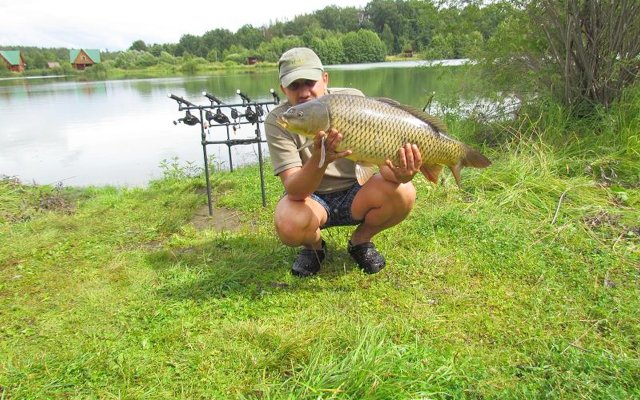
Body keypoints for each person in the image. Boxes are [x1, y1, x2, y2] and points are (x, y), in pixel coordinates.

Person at [264, 47, 422, 277]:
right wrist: (321, 157)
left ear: (324, 79)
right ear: (283, 89)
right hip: (311, 199)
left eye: (309, 82)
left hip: (356, 192)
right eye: (294, 86)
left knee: (405, 191)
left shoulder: (352, 101)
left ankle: (360, 241)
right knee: (288, 222)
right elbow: (295, 190)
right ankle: (314, 248)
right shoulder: (281, 121)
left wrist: (402, 174)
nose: (304, 92)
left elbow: (386, 173)